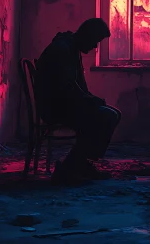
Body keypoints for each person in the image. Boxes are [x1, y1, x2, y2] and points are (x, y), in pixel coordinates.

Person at [34, 18, 121, 183]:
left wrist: (90, 100)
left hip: (64, 104)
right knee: (108, 116)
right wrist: (90, 101)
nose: (95, 46)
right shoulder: (63, 50)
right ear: (88, 35)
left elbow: (74, 88)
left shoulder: (70, 48)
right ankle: (71, 167)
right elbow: (66, 88)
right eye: (95, 41)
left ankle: (82, 163)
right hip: (56, 107)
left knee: (112, 113)